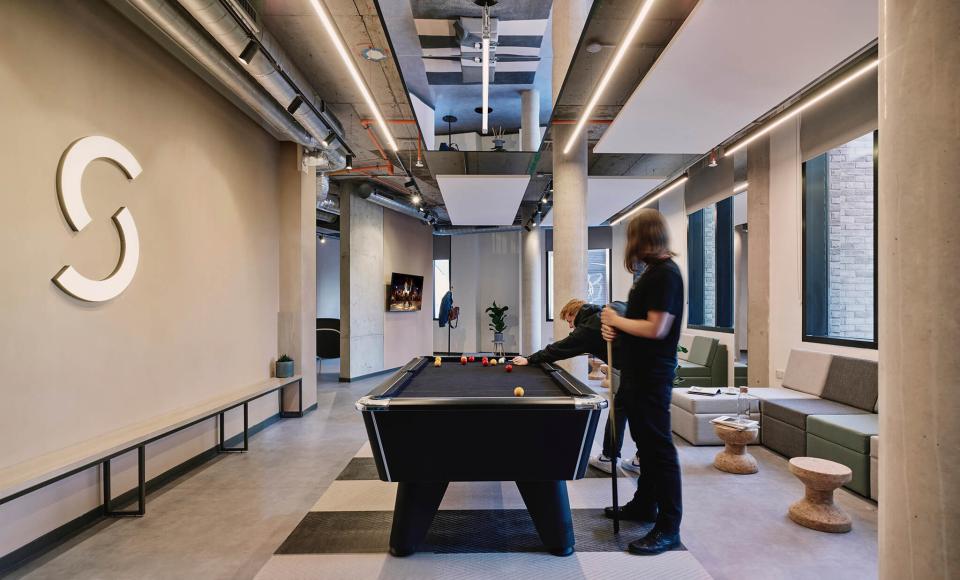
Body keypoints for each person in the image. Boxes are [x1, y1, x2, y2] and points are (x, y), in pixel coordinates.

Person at [600, 208, 684, 556]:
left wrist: (617, 321)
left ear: (641, 238)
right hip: (638, 373)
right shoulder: (652, 273)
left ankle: (668, 527)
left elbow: (657, 328)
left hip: (652, 375)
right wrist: (613, 328)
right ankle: (644, 505)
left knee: (658, 450)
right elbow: (640, 325)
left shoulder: (666, 275)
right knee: (645, 447)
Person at [512, 299, 639, 475]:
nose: (571, 326)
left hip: (639, 368)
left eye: (570, 321)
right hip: (640, 366)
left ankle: (612, 458)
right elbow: (623, 305)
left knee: (628, 412)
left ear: (574, 313)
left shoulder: (588, 327)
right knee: (626, 410)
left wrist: (530, 359)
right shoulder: (601, 312)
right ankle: (629, 458)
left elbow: (561, 348)